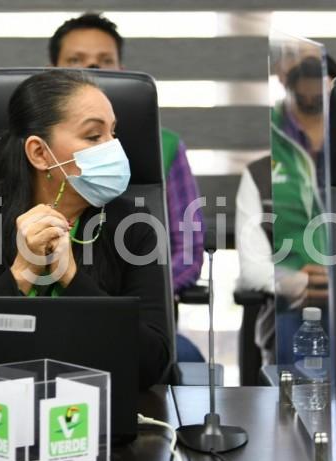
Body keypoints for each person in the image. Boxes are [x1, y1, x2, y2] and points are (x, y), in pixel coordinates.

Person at [0, 70, 170, 389]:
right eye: (94, 136)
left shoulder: (135, 225)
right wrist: (21, 275)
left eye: (113, 134)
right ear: (39, 153)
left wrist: (74, 280)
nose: (114, 149)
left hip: (97, 416)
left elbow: (152, 366)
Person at [49, 12, 204, 362]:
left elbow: (189, 246)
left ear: (122, 70)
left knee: (187, 360)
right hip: (42, 313)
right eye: (76, 61)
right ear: (50, 73)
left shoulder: (162, 146)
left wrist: (148, 285)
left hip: (137, 319)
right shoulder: (31, 152)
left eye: (105, 61)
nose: (92, 70)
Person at [235, 55, 336, 365]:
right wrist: (296, 283)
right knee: (295, 328)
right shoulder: (260, 175)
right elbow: (251, 269)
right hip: (291, 313)